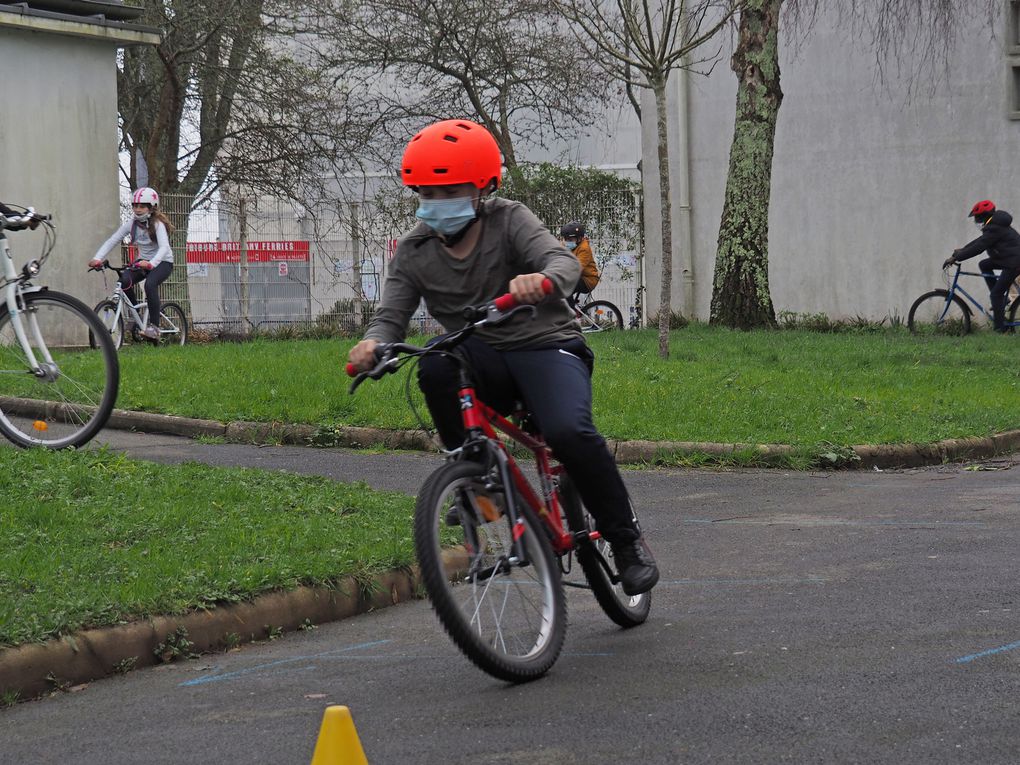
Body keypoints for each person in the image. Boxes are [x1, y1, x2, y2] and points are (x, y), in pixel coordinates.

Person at [347, 119, 659, 596]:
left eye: (449, 190)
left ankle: (626, 540)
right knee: (433, 361)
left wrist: (544, 281)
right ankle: (475, 481)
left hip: (546, 344)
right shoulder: (414, 250)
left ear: (483, 187)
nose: (436, 203)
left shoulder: (510, 219)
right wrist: (372, 344)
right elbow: (392, 316)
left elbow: (564, 262)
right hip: (481, 354)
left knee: (568, 433)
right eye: (426, 192)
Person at [88, 187, 174, 339]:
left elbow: (164, 247)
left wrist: (151, 264)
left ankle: (154, 327)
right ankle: (137, 317)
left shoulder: (158, 224)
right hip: (143, 262)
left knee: (150, 285)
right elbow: (113, 240)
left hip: (163, 262)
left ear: (151, 207)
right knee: (124, 281)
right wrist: (97, 258)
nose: (137, 209)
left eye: (142, 206)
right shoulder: (132, 224)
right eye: (135, 206)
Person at [943, 199, 1020, 332]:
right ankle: (1003, 301)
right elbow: (980, 241)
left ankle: (1000, 329)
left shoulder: (995, 228)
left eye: (977, 217)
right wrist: (961, 251)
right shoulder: (995, 226)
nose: (977, 221)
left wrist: (957, 257)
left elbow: (979, 247)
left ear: (984, 216)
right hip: (1008, 259)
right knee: (984, 264)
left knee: (996, 295)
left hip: (1013, 263)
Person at [559, 221, 600, 298]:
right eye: (566, 239)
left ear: (579, 238)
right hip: (578, 277)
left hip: (587, 280)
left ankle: (567, 309)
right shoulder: (569, 246)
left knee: (565, 289)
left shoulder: (584, 249)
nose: (567, 242)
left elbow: (577, 268)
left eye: (570, 240)